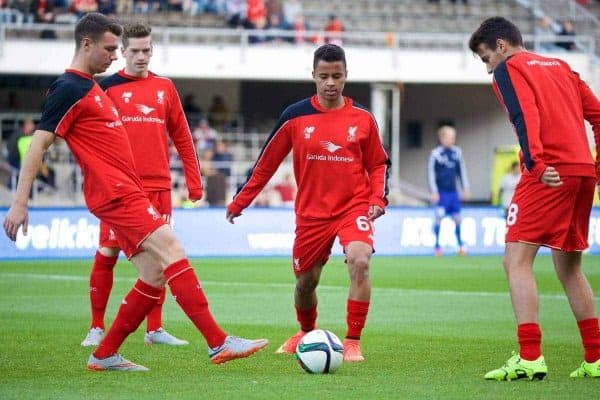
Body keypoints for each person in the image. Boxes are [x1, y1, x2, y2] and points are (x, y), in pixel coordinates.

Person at [2, 12, 267, 372]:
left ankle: (104, 353)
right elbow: (38, 145)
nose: (115, 55)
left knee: (155, 273)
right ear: (86, 44)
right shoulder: (68, 88)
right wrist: (19, 204)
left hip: (127, 191)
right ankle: (218, 342)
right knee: (172, 249)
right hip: (116, 194)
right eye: (110, 48)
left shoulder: (91, 86)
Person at [226, 44, 391, 362]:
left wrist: (376, 198)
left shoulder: (363, 120)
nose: (331, 82)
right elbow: (266, 163)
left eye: (337, 76)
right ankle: (304, 331)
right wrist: (241, 201)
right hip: (312, 213)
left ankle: (353, 341)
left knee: (360, 260)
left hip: (353, 206)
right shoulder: (295, 116)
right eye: (324, 76)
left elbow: (378, 164)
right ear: (313, 76)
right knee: (305, 282)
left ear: (346, 76)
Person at [469, 16, 600, 381]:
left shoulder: (509, 69)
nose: (488, 68)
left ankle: (530, 357)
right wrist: (597, 165)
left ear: (500, 46)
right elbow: (599, 115)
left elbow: (523, 115)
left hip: (549, 172)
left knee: (516, 259)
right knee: (569, 267)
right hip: (582, 172)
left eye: (485, 58)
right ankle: (595, 358)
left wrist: (536, 163)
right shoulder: (562, 66)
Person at [80, 22, 204, 348]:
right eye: (134, 50)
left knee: (162, 257)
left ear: (152, 50)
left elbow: (182, 135)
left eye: (146, 50)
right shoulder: (106, 88)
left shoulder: (165, 87)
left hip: (159, 186)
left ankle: (155, 329)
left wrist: (194, 181)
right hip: (121, 188)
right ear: (122, 52)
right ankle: (96, 327)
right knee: (107, 251)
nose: (141, 56)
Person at [427, 125, 470, 256]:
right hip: (441, 193)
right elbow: (431, 174)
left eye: (453, 137)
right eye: (450, 137)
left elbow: (462, 172)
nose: (452, 140)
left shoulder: (457, 153)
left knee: (457, 218)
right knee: (439, 218)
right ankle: (437, 247)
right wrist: (434, 191)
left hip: (453, 193)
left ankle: (460, 245)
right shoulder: (435, 154)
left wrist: (465, 188)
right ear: (442, 138)